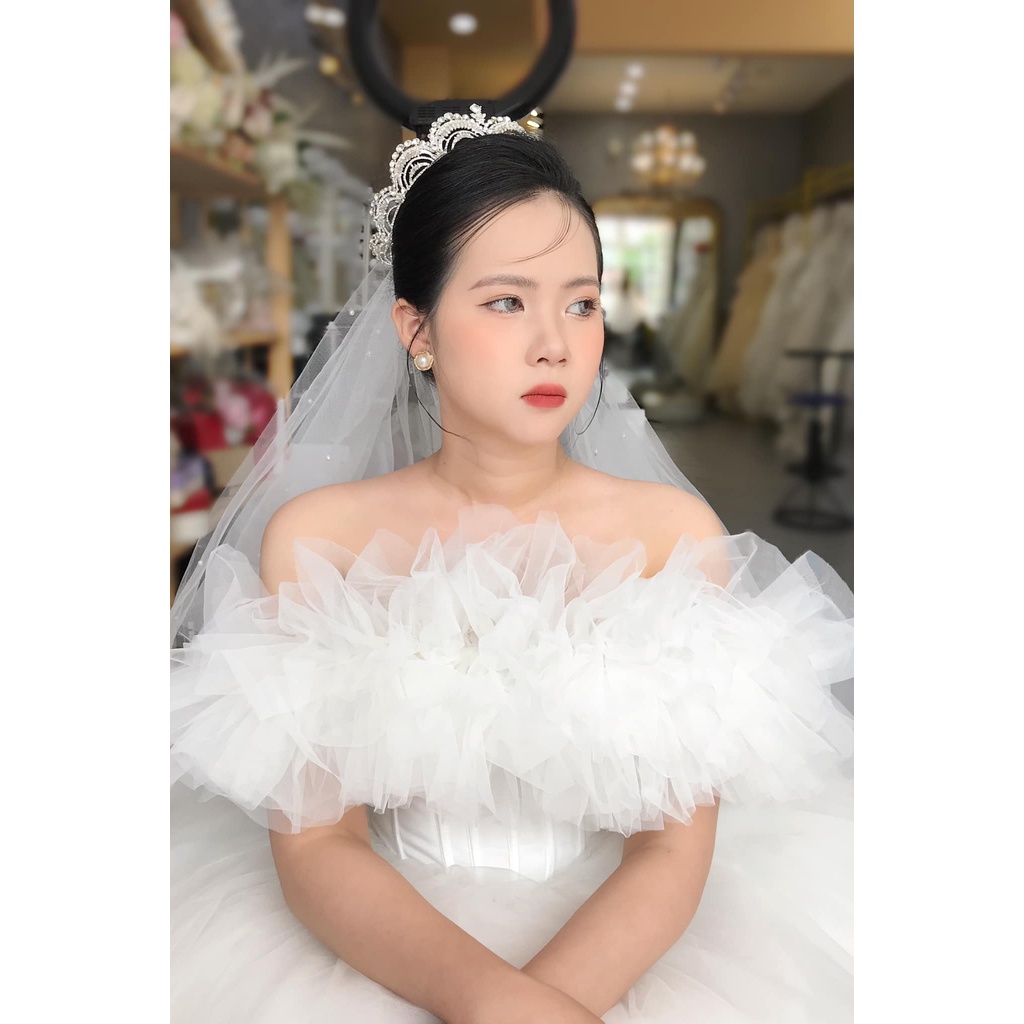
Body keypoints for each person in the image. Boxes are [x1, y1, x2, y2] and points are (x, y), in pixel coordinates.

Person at [170, 107, 853, 1023]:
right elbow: (318, 843)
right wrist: (494, 1005)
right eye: (506, 301)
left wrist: (550, 1007)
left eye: (582, 302)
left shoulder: (674, 538)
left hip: (620, 940)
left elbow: (671, 850)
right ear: (415, 328)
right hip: (388, 941)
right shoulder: (319, 541)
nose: (555, 343)